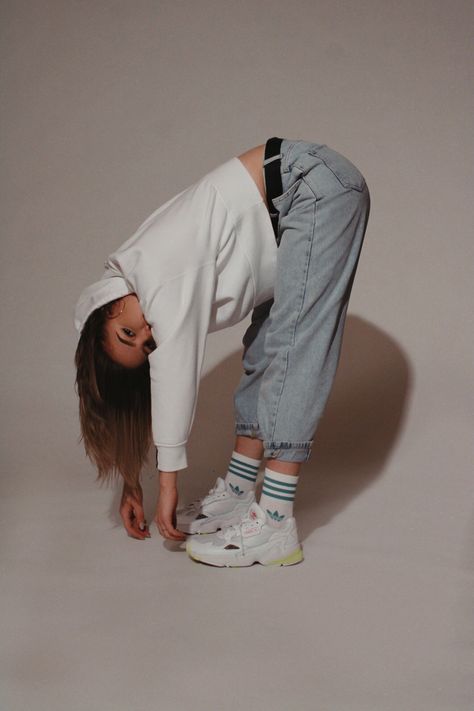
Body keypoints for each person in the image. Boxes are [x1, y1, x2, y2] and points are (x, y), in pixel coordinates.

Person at [73, 137, 371, 567]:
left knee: (295, 346)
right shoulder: (133, 285)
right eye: (143, 345)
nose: (145, 334)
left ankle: (274, 521)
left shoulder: (153, 270)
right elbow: (146, 386)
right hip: (287, 211)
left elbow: (174, 371)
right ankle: (237, 492)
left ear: (107, 308)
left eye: (125, 333)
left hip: (311, 185)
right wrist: (131, 482)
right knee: (263, 349)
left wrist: (168, 481)